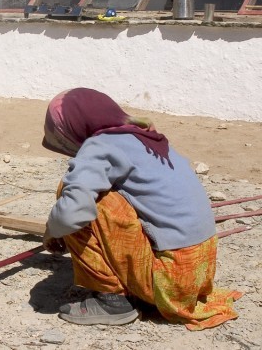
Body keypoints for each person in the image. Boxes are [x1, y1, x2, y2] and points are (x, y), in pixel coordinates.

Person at [41, 87, 242, 330]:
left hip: (169, 281)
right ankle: (136, 288)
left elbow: (72, 211)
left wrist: (52, 230)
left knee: (78, 196)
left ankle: (111, 301)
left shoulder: (101, 145)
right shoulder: (143, 138)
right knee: (96, 195)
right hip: (198, 275)